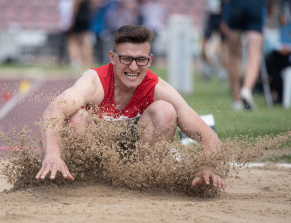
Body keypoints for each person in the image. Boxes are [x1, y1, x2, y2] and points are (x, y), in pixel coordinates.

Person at [35, 25, 225, 189]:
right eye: (126, 58)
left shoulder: (158, 88)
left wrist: (207, 168)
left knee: (165, 111)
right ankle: (85, 182)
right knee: (77, 118)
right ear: (112, 57)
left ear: (149, 61)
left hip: (135, 164)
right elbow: (53, 112)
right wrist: (52, 153)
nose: (133, 67)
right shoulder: (94, 82)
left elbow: (209, 136)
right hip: (92, 160)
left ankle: (143, 182)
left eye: (140, 60)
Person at [224, 0, 267, 111]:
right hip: (256, 5)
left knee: (234, 55)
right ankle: (246, 90)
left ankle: (236, 100)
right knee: (254, 55)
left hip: (236, 5)